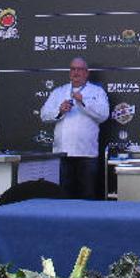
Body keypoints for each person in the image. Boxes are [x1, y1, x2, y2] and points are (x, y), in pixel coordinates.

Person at [40, 57, 110, 199]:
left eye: (80, 69)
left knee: (88, 194)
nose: (76, 72)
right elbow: (44, 115)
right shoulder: (58, 92)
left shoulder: (97, 92)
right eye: (73, 69)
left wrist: (82, 101)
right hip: (63, 153)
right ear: (69, 72)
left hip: (87, 153)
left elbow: (103, 115)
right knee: (64, 195)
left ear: (86, 72)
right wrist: (59, 111)